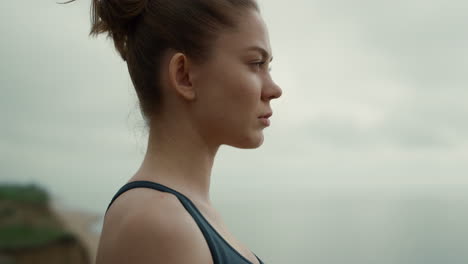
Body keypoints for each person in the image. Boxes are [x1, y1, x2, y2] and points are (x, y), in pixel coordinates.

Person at [72, 0, 282, 263]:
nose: (275, 89)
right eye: (256, 63)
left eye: (268, 67)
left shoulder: (184, 216)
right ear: (184, 75)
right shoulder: (157, 224)